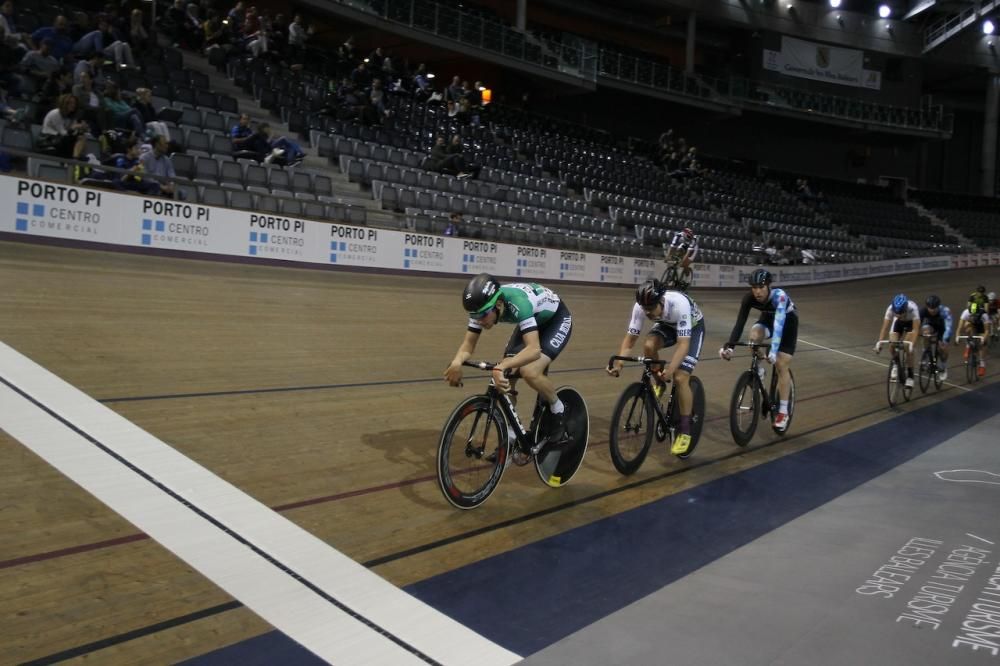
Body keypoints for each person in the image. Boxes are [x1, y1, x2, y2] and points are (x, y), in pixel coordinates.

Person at [444, 274, 574, 452]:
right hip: (532, 320)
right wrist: (457, 362)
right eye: (475, 316)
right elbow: (468, 344)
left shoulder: (518, 303)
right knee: (505, 377)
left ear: (498, 304)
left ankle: (559, 408)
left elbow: (534, 349)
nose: (479, 320)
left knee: (530, 372)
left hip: (556, 320)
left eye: (483, 315)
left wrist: (502, 366)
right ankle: (513, 434)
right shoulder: (481, 308)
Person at [610, 279, 706, 456]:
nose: (647, 312)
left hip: (693, 328)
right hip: (667, 324)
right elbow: (630, 340)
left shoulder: (680, 304)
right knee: (648, 346)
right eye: (644, 308)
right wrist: (619, 364)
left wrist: (670, 369)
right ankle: (659, 384)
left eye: (651, 308)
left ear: (662, 301)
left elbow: (683, 345)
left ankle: (685, 431)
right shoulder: (642, 307)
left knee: (680, 377)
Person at [720, 268, 798, 431]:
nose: (757, 291)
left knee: (781, 364)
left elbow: (779, 326)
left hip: (787, 323)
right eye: (754, 287)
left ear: (769, 286)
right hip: (768, 319)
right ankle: (760, 370)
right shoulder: (749, 298)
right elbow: (740, 323)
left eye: (761, 287)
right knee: (754, 337)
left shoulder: (779, 297)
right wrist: (730, 347)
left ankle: (783, 412)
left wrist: (773, 351)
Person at [874, 293, 921, 388]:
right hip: (898, 324)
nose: (898, 315)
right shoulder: (890, 309)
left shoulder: (913, 309)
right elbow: (885, 328)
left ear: (905, 309)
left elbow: (916, 329)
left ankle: (910, 376)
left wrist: (912, 344)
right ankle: (896, 363)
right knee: (892, 344)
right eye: (896, 313)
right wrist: (879, 344)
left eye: (901, 313)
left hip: (910, 324)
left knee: (907, 347)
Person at [920, 295, 952, 382]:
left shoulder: (945, 311)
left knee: (942, 348)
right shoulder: (923, 311)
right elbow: (917, 323)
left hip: (943, 328)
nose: (932, 310)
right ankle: (926, 353)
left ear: (938, 306)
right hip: (930, 325)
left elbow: (948, 327)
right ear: (927, 307)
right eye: (930, 308)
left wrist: (944, 340)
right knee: (926, 333)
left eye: (934, 308)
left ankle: (943, 366)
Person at [956, 301, 992, 378]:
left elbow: (987, 331)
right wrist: (957, 337)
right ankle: (968, 345)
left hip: (981, 326)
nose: (973, 315)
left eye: (975, 314)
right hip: (972, 324)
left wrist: (983, 339)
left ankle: (982, 364)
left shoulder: (984, 314)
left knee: (983, 343)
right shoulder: (965, 312)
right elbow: (959, 327)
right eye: (971, 314)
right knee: (967, 327)